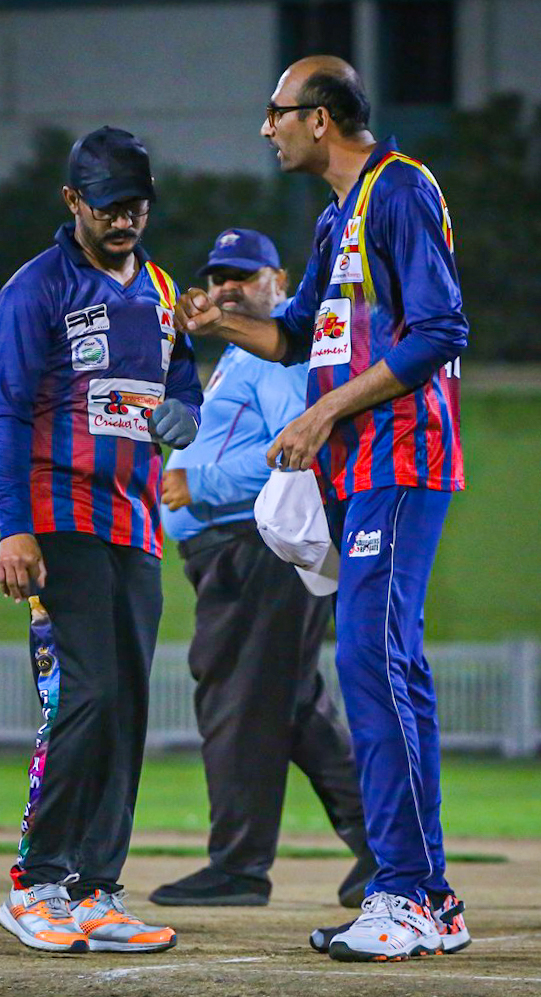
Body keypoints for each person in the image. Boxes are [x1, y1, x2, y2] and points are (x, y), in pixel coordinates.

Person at [174, 57, 472, 963]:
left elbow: (442, 328)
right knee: (385, 665)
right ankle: (427, 896)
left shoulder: (400, 189)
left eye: (278, 111)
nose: (266, 127)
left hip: (402, 459)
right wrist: (219, 322)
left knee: (375, 662)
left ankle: (403, 894)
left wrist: (322, 411)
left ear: (322, 118)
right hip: (362, 469)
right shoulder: (337, 215)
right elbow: (297, 332)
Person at [0, 126, 203, 954]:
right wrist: (14, 528)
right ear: (73, 200)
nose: (124, 221)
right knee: (88, 692)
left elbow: (184, 387)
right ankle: (37, 882)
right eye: (109, 207)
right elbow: (5, 414)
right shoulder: (34, 289)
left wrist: (187, 414)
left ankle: (97, 890)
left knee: (129, 703)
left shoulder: (162, 290)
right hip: (58, 519)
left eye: (136, 206)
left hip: (135, 524)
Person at [148, 228, 376, 909]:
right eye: (218, 276)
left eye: (244, 275)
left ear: (279, 281)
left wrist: (200, 482)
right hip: (244, 552)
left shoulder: (276, 354)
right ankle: (385, 847)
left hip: (253, 550)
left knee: (238, 704)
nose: (227, 287)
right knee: (293, 706)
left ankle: (239, 866)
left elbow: (302, 443)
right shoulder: (238, 356)